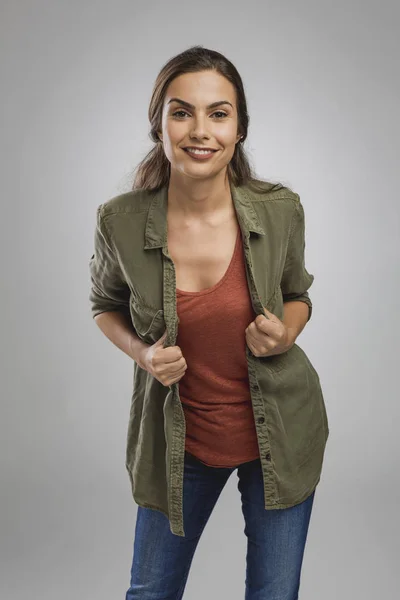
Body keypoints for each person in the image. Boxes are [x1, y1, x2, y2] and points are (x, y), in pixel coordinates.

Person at [89, 45, 330, 600]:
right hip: (181, 441)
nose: (201, 131)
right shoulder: (119, 221)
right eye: (182, 112)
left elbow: (298, 294)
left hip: (282, 432)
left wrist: (287, 331)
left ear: (240, 128)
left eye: (219, 113)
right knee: (150, 592)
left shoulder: (279, 208)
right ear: (160, 124)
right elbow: (104, 305)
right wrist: (145, 355)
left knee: (275, 595)